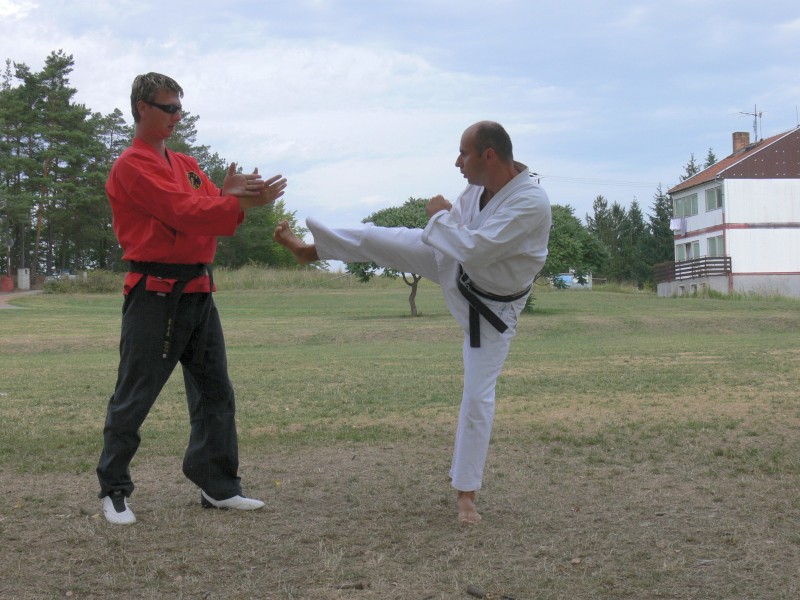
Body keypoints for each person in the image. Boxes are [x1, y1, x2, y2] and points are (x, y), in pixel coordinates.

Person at [274, 121, 551, 524]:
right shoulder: (476, 191)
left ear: (488, 155)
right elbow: (457, 238)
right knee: (379, 239)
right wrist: (444, 221)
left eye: (464, 153)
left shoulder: (531, 202)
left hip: (491, 310)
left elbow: (475, 248)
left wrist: (439, 216)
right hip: (455, 266)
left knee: (477, 397)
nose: (457, 162)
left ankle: (466, 495)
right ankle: (309, 251)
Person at [96, 72, 288, 525]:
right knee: (135, 394)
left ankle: (218, 485)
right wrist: (236, 203)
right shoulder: (131, 165)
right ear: (142, 108)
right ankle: (113, 490)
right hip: (154, 293)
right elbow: (183, 211)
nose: (177, 117)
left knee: (215, 392)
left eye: (180, 108)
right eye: (169, 108)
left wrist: (230, 194)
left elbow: (208, 207)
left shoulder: (184, 163)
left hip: (199, 290)